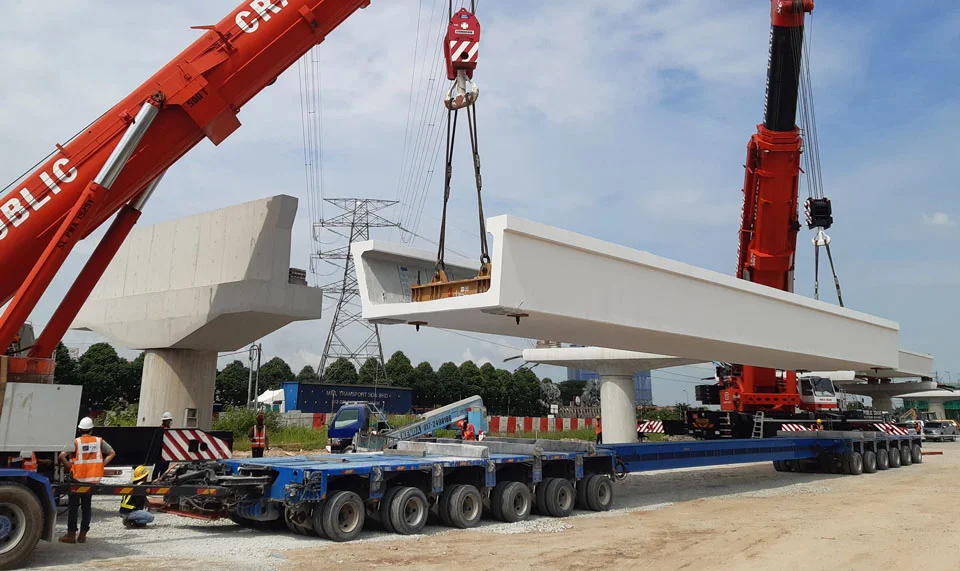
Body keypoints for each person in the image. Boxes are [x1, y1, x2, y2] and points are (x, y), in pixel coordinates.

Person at [59, 417, 116, 544]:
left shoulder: (76, 442)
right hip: (91, 480)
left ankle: (71, 534)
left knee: (73, 506)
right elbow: (112, 453)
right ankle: (83, 535)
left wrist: (69, 466)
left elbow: (61, 456)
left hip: (77, 479)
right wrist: (101, 465)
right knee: (86, 506)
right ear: (91, 429)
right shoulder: (98, 441)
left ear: (79, 429)